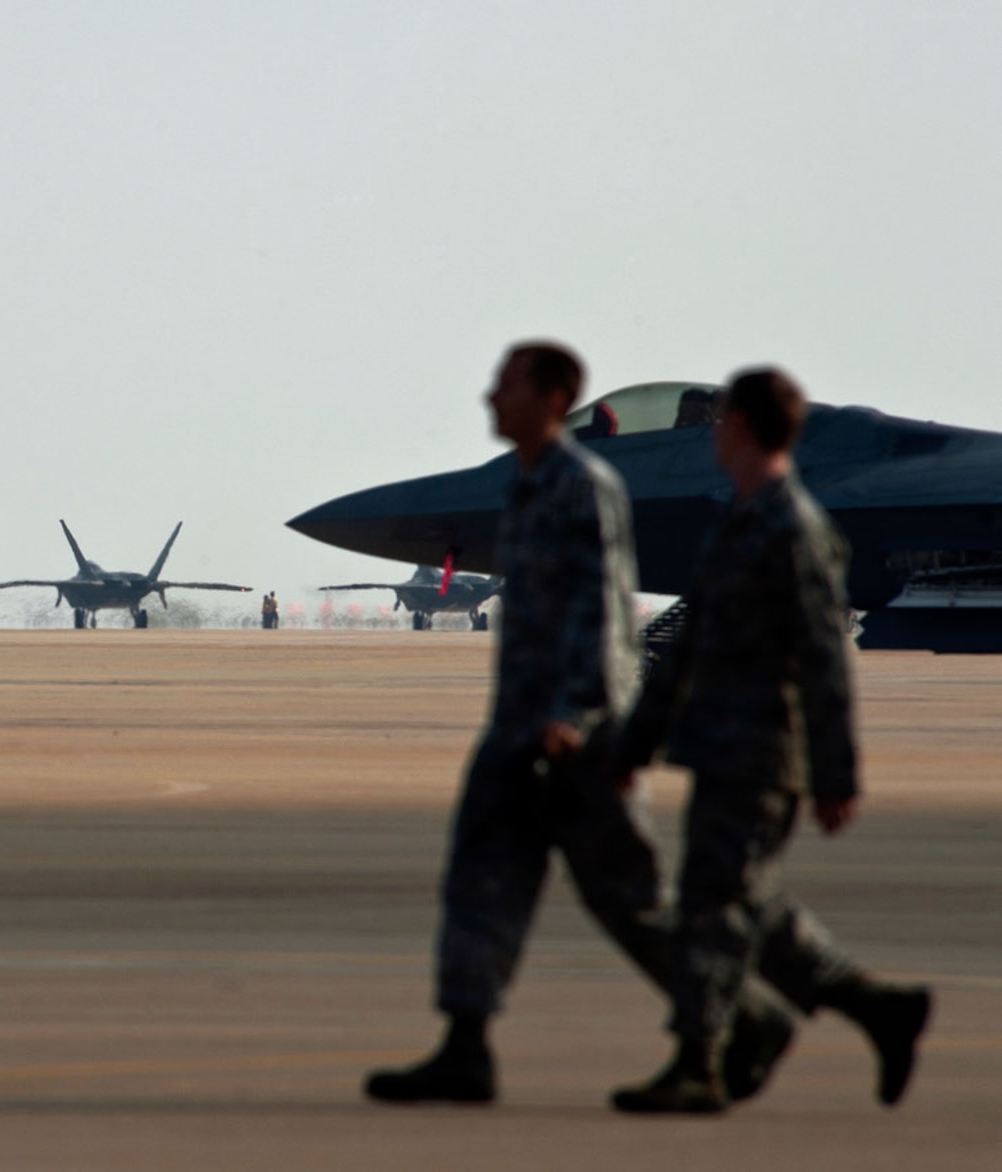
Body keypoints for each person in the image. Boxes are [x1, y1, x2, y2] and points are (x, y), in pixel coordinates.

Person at [364, 342, 791, 1106]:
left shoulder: (584, 487)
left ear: (555, 398)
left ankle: (744, 1017)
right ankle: (466, 1046)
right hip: (519, 729)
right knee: (480, 881)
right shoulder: (526, 489)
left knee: (627, 899)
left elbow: (603, 615)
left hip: (578, 735)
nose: (490, 399)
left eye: (506, 386)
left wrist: (573, 715)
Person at [608, 368, 932, 1114]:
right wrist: (638, 740)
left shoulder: (796, 530)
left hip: (763, 754)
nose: (712, 434)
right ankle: (876, 1006)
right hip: (720, 746)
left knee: (711, 906)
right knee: (740, 901)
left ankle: (701, 1058)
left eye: (721, 422)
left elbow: (824, 658)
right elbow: (685, 649)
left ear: (748, 428)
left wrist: (834, 772)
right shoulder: (741, 522)